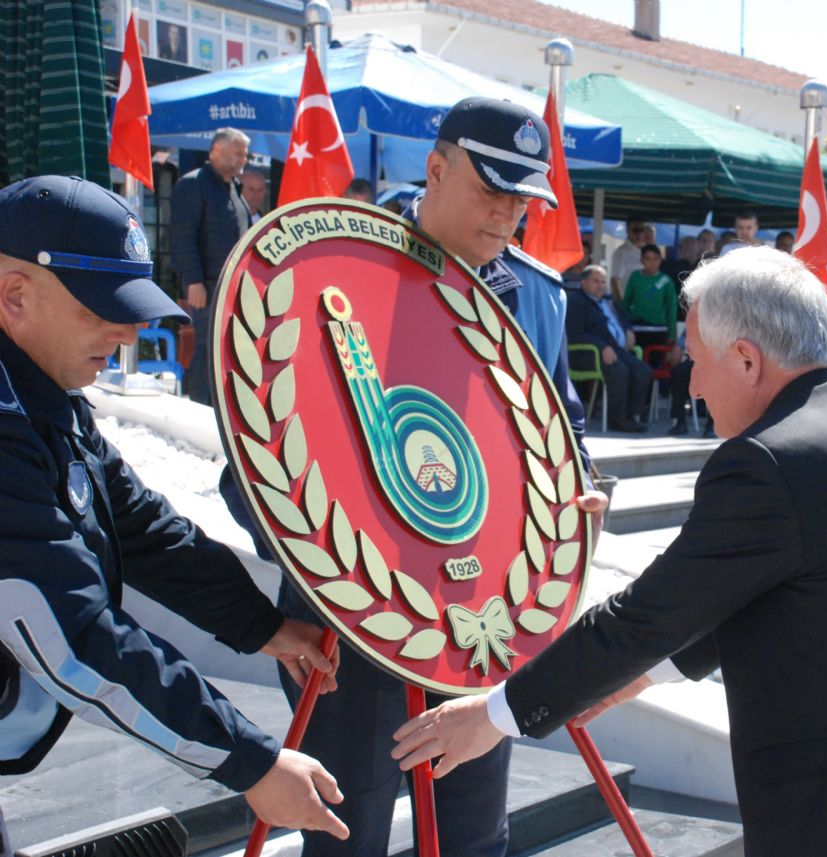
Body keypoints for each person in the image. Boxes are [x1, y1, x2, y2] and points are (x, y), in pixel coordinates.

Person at [391, 246, 827, 856]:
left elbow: (644, 614)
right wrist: (650, 672)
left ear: (746, 359)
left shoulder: (771, 462)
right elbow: (787, 586)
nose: (690, 386)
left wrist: (495, 714)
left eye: (695, 360)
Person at [273, 97, 603, 857]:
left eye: (523, 198)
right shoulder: (332, 267)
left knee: (474, 836)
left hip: (479, 624)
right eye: (492, 190)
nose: (508, 214)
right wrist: (320, 556)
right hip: (354, 621)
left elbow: (564, 433)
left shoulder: (538, 299)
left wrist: (580, 492)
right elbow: (254, 461)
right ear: (435, 168)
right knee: (343, 837)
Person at [0, 175, 347, 847]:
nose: (129, 332)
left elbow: (143, 528)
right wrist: (249, 760)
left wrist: (265, 625)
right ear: (15, 295)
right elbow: (72, 636)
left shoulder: (41, 397)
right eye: (104, 308)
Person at [170, 127, 252, 406]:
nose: (244, 158)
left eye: (245, 152)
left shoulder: (233, 190)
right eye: (238, 152)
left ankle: (221, 409)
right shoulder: (193, 184)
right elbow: (182, 237)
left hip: (233, 286)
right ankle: (199, 407)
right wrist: (192, 281)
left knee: (226, 351)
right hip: (207, 285)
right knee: (207, 350)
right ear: (216, 150)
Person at [567, 265, 651, 433]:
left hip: (615, 350)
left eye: (603, 282)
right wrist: (601, 345)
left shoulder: (609, 301)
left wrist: (628, 330)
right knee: (620, 371)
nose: (601, 286)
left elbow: (624, 318)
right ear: (584, 282)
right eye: (596, 281)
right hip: (588, 353)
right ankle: (617, 419)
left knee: (643, 370)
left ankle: (631, 416)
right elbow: (574, 333)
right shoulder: (576, 302)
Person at [622, 243, 678, 351]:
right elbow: (626, 303)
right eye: (648, 259)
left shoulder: (666, 280)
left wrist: (672, 334)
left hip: (659, 331)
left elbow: (672, 308)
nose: (652, 263)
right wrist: (624, 326)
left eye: (655, 259)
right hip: (636, 329)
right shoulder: (635, 276)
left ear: (660, 260)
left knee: (654, 366)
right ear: (641, 260)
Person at [609, 214, 647, 301]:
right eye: (635, 230)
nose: (639, 234)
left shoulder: (647, 251)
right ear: (627, 231)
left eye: (642, 230)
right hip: (628, 303)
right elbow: (615, 281)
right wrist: (622, 304)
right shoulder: (621, 252)